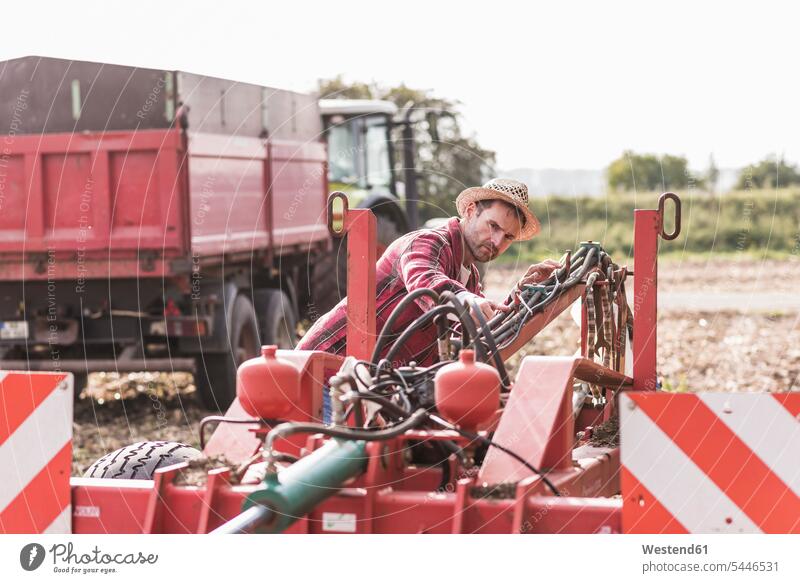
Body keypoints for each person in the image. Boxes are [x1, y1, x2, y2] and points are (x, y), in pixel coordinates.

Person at [297, 178, 560, 366]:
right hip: (328, 367)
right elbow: (426, 281)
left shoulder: (469, 277)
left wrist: (521, 293)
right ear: (471, 212)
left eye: (508, 237)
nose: (497, 242)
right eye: (492, 226)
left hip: (374, 384)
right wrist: (469, 302)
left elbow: (478, 331)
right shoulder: (428, 242)